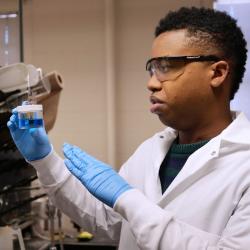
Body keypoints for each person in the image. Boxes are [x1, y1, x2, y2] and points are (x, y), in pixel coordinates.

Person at [7, 6, 250, 250]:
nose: (152, 83)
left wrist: (129, 199)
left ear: (217, 73)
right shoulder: (151, 150)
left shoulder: (244, 163)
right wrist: (44, 159)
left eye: (167, 67)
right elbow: (107, 222)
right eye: (153, 69)